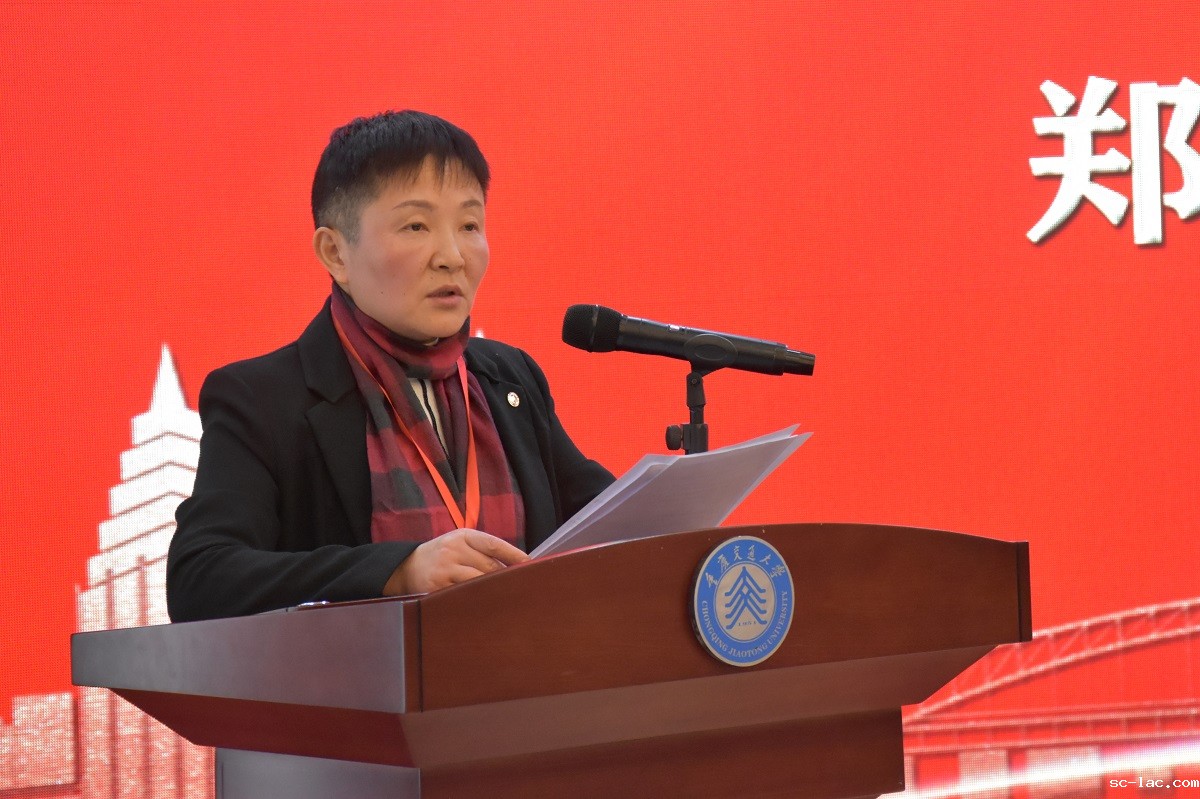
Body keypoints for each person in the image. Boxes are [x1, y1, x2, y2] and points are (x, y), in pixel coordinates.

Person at [166, 111, 615, 623]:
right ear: (335, 253)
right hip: (358, 676)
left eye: (470, 225)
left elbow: (609, 519)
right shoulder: (263, 399)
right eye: (416, 226)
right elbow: (202, 579)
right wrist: (397, 571)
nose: (452, 256)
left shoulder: (508, 379)